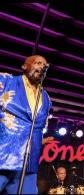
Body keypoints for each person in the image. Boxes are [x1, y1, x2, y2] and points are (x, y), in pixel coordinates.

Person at [0, 55, 52, 194]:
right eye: (37, 63)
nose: (41, 66)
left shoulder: (46, 97)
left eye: (44, 65)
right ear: (24, 66)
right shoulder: (5, 81)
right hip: (3, 155)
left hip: (29, 162)